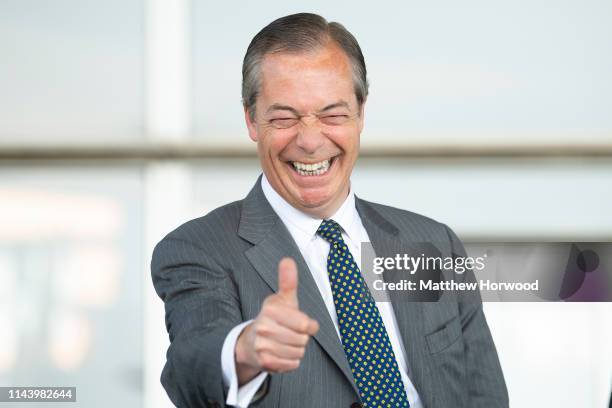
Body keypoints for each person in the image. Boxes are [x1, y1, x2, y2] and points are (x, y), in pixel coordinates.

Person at [151, 12, 508, 408]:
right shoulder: (199, 249)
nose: (309, 140)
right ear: (252, 120)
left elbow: (484, 395)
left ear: (361, 113)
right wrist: (245, 350)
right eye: (284, 117)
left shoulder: (432, 242)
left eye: (332, 115)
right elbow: (191, 367)